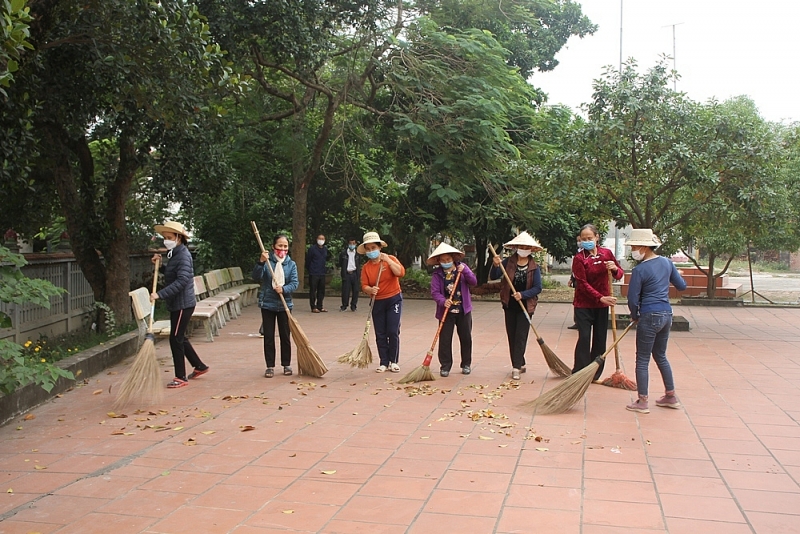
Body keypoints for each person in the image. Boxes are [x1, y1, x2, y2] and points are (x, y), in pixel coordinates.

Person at [625, 228, 687, 413]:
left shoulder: (640, 270)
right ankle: (670, 396)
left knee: (642, 358)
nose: (633, 250)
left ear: (644, 247)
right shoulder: (667, 263)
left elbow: (632, 299)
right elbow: (682, 286)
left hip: (649, 315)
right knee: (660, 355)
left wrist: (635, 315)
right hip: (666, 315)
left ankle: (642, 401)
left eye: (635, 246)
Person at [150, 221, 209, 389]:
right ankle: (199, 366)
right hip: (178, 303)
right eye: (165, 237)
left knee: (175, 338)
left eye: (169, 237)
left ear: (179, 238)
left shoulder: (183, 255)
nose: (166, 240)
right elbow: (172, 273)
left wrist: (160, 294)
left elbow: (182, 280)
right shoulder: (174, 253)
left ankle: (180, 376)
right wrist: (160, 266)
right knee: (180, 337)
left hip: (183, 304)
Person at [571, 224, 624, 382]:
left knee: (600, 339)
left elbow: (619, 274)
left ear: (597, 237)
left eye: (590, 238)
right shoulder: (579, 259)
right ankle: (579, 372)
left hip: (602, 306)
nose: (587, 241)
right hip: (583, 304)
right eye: (584, 239)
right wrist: (600, 297)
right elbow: (582, 283)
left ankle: (594, 373)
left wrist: (614, 268)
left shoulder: (606, 253)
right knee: (585, 337)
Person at [489, 231, 543, 381]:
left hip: (525, 306)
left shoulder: (534, 267)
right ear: (516, 247)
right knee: (512, 336)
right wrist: (495, 265)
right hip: (509, 305)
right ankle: (521, 361)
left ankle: (516, 367)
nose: (524, 249)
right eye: (521, 246)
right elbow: (494, 276)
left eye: (527, 247)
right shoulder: (508, 262)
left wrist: (523, 295)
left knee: (521, 336)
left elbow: (538, 288)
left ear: (531, 250)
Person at [253, 234, 299, 378]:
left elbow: (294, 283)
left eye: (285, 246)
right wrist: (260, 263)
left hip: (285, 305)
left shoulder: (291, 264)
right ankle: (270, 366)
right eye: (280, 246)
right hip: (268, 304)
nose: (282, 249)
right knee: (269, 336)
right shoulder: (267, 262)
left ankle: (286, 364)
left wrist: (284, 289)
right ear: (273, 247)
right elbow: (256, 276)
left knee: (285, 336)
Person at [428, 243, 478, 376]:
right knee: (445, 339)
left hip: (463, 310)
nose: (446, 262)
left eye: (448, 260)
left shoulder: (462, 269)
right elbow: (435, 292)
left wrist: (465, 271)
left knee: (466, 337)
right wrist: (443, 301)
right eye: (443, 260)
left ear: (453, 259)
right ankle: (445, 366)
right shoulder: (437, 274)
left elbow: (473, 281)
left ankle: (466, 364)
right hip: (446, 311)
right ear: (439, 261)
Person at [359, 231, 405, 373]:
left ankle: (394, 361)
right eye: (368, 249)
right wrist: (370, 290)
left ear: (380, 247)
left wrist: (389, 261)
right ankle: (384, 361)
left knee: (392, 330)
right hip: (377, 302)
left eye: (373, 248)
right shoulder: (366, 267)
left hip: (393, 299)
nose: (371, 251)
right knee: (380, 332)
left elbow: (400, 273)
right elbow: (364, 285)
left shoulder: (390, 259)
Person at [306, 234, 331, 312]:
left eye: (323, 239)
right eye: (320, 238)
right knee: (313, 290)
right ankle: (313, 307)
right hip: (313, 272)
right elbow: (308, 260)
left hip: (322, 272)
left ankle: (320, 306)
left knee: (321, 290)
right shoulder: (312, 249)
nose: (321, 240)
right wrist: (310, 269)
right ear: (317, 239)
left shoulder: (325, 249)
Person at [339, 238, 361, 312]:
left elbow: (359, 263)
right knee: (345, 291)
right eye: (350, 243)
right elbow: (340, 263)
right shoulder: (343, 253)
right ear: (348, 244)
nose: (352, 245)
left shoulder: (357, 254)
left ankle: (353, 305)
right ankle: (344, 305)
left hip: (355, 273)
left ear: (355, 244)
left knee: (356, 290)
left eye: (353, 243)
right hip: (347, 274)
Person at [567, 235, 580, 330]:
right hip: (577, 282)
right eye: (578, 240)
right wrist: (572, 279)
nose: (580, 242)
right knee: (577, 302)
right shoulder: (577, 253)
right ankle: (577, 321)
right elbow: (575, 269)